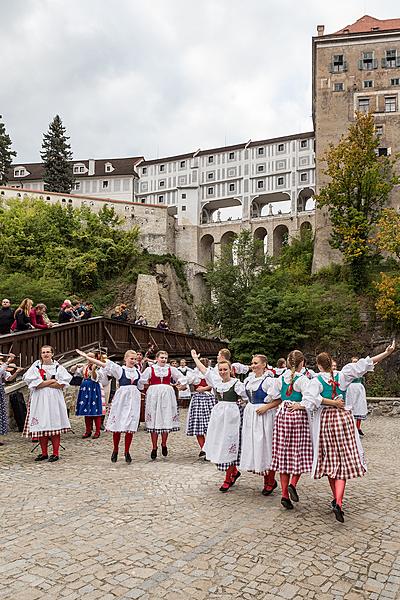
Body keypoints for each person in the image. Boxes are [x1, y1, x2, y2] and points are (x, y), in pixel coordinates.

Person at [301, 341, 396, 523]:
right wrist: (386, 352)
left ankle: (336, 499)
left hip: (327, 421)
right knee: (343, 461)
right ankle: (338, 501)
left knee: (330, 460)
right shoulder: (343, 374)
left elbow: (311, 399)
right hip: (344, 419)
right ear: (332, 362)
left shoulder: (316, 380)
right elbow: (366, 364)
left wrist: (329, 402)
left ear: (319, 365)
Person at [191, 349, 248, 492]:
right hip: (218, 416)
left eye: (225, 369)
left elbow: (247, 398)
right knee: (220, 442)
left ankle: (228, 478)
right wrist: (195, 358)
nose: (222, 372)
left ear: (230, 370)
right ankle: (233, 472)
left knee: (229, 443)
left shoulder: (237, 384)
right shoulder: (216, 381)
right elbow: (205, 370)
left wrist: (241, 404)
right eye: (220, 369)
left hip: (232, 416)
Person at [76, 349, 143, 463]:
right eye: (131, 358)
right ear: (125, 359)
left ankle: (127, 451)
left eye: (135, 359)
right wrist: (88, 358)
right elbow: (103, 363)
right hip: (122, 399)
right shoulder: (120, 370)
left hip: (134, 400)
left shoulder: (138, 372)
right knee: (118, 424)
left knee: (130, 426)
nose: (133, 361)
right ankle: (115, 449)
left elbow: (141, 386)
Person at [269, 350, 314, 510]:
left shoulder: (280, 378)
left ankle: (284, 495)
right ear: (302, 363)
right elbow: (310, 398)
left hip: (282, 416)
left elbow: (273, 396)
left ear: (287, 363)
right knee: (298, 452)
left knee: (283, 455)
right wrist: (300, 405)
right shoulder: (303, 379)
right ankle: (293, 485)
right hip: (297, 415)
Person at [240, 355, 281, 496]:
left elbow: (279, 399)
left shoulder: (269, 381)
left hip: (265, 415)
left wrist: (266, 407)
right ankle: (265, 477)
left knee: (265, 445)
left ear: (264, 365)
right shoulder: (249, 379)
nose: (253, 365)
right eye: (252, 363)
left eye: (256, 363)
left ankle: (270, 480)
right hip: (251, 415)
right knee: (256, 446)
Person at [23, 345, 72, 462]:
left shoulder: (58, 367)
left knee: (54, 424)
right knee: (41, 425)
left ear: (52, 354)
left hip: (54, 399)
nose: (46, 354)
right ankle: (44, 453)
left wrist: (44, 383)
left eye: (48, 352)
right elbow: (34, 384)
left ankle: (55, 453)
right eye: (43, 352)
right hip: (39, 399)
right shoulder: (35, 366)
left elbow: (62, 384)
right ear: (41, 354)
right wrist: (51, 381)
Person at [139, 351, 187, 460]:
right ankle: (154, 447)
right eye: (162, 357)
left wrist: (181, 384)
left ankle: (164, 444)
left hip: (167, 394)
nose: (164, 359)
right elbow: (142, 380)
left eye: (166, 358)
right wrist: (145, 387)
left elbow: (182, 377)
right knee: (154, 420)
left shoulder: (171, 369)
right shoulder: (150, 369)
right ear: (157, 358)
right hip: (153, 394)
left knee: (166, 418)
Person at [72, 352, 108, 439]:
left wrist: (94, 371)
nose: (89, 358)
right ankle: (88, 430)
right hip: (85, 388)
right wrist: (77, 365)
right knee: (86, 409)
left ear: (95, 358)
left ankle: (97, 431)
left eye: (91, 357)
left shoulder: (98, 367)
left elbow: (96, 378)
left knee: (95, 410)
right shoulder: (85, 366)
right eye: (88, 357)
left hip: (94, 388)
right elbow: (73, 371)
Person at [185, 357, 216, 457]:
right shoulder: (194, 374)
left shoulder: (211, 373)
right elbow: (186, 382)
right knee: (200, 426)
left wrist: (204, 388)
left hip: (205, 399)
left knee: (207, 425)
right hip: (203, 399)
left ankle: (206, 448)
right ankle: (204, 448)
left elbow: (215, 383)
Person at [0, 353, 22, 444]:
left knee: (1, 414)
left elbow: (8, 378)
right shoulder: (2, 367)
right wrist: (8, 361)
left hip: (0, 391)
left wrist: (17, 372)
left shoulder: (2, 367)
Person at [345, 356, 368, 436]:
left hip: (359, 389)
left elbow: (367, 367)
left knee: (360, 407)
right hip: (350, 389)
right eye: (353, 361)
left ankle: (358, 427)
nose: (355, 363)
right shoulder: (349, 371)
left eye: (356, 361)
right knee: (350, 407)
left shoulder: (361, 370)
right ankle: (351, 428)